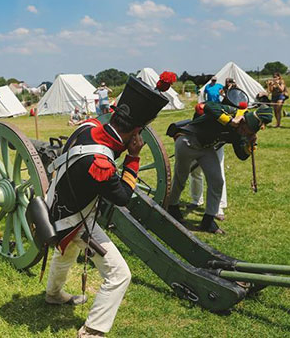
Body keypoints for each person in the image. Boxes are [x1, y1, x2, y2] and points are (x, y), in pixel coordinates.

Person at [44, 77, 170, 338]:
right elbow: (122, 196)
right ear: (135, 132)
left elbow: (103, 148)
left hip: (55, 205)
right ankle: (92, 331)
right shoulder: (101, 163)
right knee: (120, 275)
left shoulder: (88, 126)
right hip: (74, 220)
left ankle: (53, 294)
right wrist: (133, 158)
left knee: (65, 252)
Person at [166, 103, 273, 234]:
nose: (244, 133)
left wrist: (249, 146)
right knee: (180, 178)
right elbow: (208, 107)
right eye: (245, 129)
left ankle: (208, 220)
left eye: (248, 132)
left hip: (206, 148)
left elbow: (241, 155)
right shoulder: (232, 113)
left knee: (217, 181)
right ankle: (172, 207)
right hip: (188, 141)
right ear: (243, 121)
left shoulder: (242, 132)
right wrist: (230, 121)